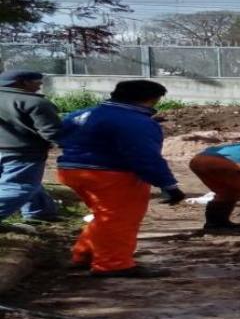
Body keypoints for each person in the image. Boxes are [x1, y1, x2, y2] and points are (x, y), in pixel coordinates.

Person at [57, 80, 185, 279]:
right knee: (119, 220)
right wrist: (167, 184)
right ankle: (112, 265)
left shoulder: (81, 114)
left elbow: (59, 136)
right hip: (111, 174)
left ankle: (86, 255)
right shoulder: (136, 122)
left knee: (104, 215)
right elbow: (145, 156)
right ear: (151, 99)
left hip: (71, 169)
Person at [0, 70, 62, 229]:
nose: (40, 84)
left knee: (28, 180)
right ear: (22, 82)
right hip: (22, 152)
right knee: (18, 186)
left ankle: (40, 212)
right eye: (37, 81)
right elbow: (52, 132)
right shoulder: (35, 103)